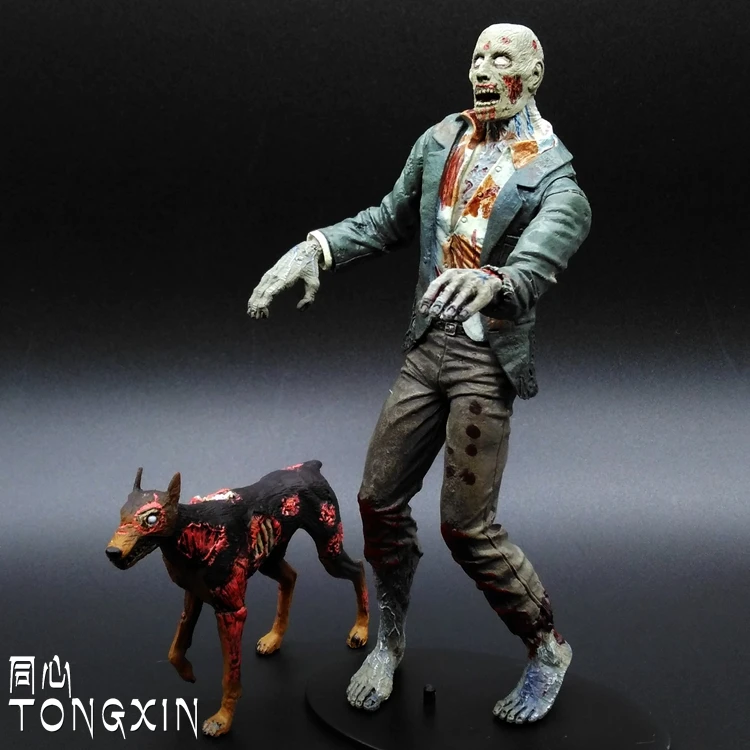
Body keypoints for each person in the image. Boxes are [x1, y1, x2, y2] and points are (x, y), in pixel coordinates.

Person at [247, 22, 591, 724]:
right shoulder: (442, 141)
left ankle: (547, 647)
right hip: (427, 348)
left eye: (501, 58)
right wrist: (316, 248)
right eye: (477, 57)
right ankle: (391, 636)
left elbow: (538, 260)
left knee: (467, 527)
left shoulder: (556, 179)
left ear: (534, 72)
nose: (484, 70)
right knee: (377, 500)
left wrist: (495, 280)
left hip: (483, 362)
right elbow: (387, 220)